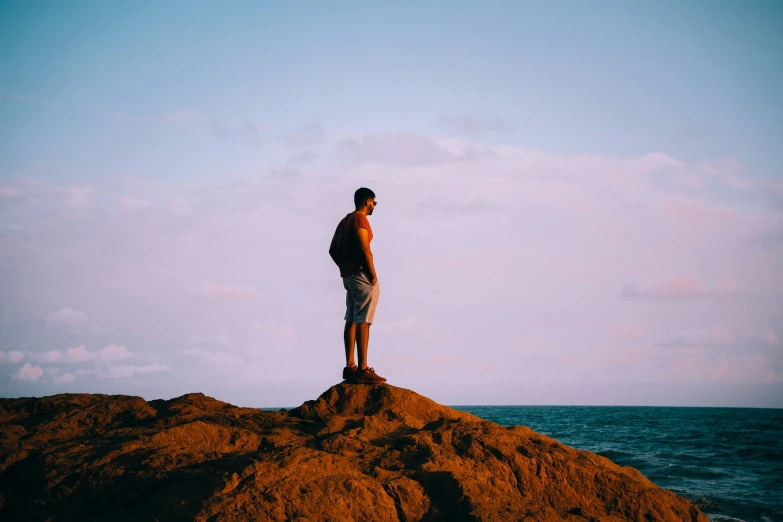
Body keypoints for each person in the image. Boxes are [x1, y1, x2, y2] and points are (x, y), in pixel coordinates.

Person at [329, 188, 387, 384]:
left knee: (352, 318)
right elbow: (364, 247)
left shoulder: (345, 221)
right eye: (374, 203)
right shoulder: (360, 220)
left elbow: (332, 250)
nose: (374, 207)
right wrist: (372, 275)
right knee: (364, 319)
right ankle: (363, 368)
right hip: (361, 275)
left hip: (349, 276)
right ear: (367, 201)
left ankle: (350, 366)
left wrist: (344, 267)